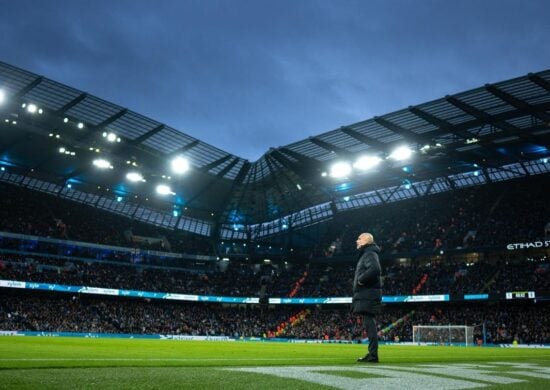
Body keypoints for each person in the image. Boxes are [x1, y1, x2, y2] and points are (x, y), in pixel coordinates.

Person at [352, 232, 382, 363]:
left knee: (369, 323)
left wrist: (360, 280)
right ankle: (372, 354)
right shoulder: (367, 253)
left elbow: (375, 269)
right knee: (368, 323)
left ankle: (373, 355)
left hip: (367, 294)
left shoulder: (369, 253)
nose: (356, 241)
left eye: (359, 238)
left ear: (366, 241)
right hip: (366, 294)